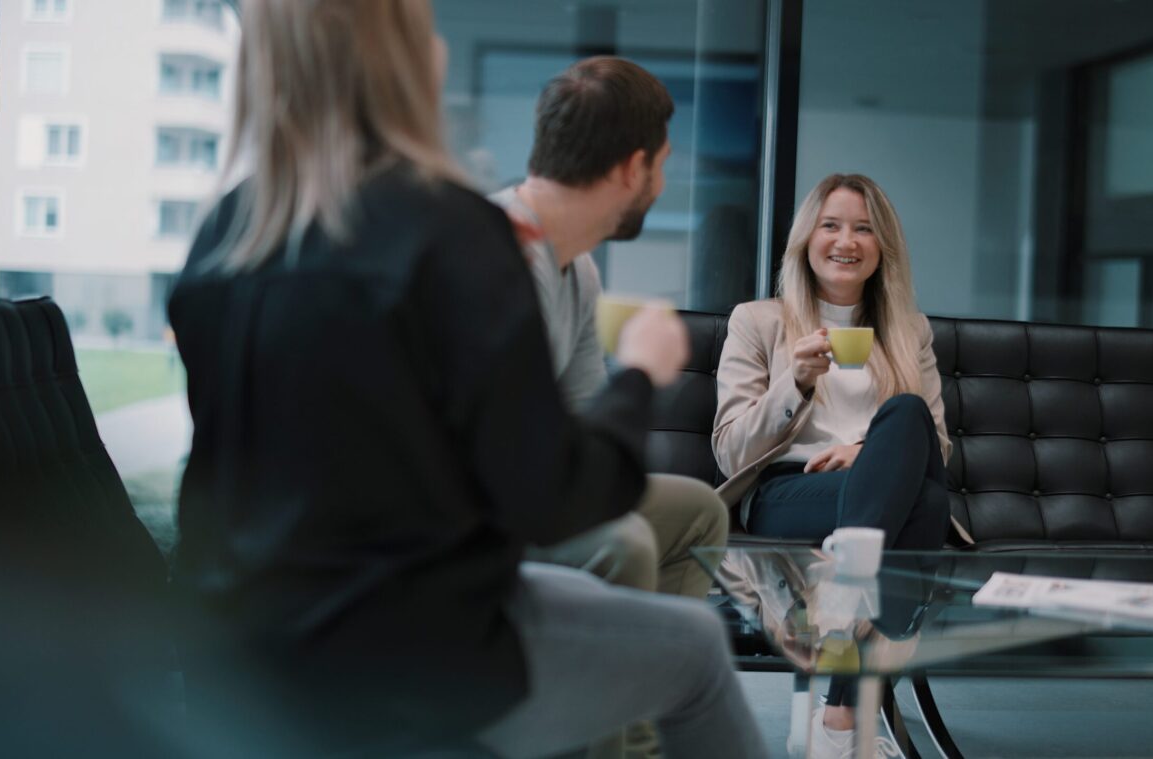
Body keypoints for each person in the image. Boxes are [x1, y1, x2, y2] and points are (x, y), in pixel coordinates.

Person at [167, 2, 767, 758]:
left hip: (241, 648)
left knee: (594, 585)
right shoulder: (451, 234)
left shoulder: (224, 233)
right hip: (408, 659)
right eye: (428, 31)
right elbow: (552, 497)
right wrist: (643, 372)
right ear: (407, 62)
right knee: (695, 650)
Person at [712, 172, 961, 758]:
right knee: (921, 509)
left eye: (863, 229)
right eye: (831, 225)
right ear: (807, 239)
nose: (845, 241)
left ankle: (838, 715)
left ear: (882, 248)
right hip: (790, 492)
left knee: (906, 427)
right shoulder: (759, 321)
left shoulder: (908, 330)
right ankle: (848, 714)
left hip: (881, 499)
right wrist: (793, 383)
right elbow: (729, 452)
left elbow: (935, 444)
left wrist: (869, 452)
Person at [491, 57, 728, 605]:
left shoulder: (579, 270)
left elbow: (583, 431)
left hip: (532, 481)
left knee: (697, 511)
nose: (662, 185)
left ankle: (654, 680)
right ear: (631, 168)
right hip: (472, 505)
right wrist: (642, 372)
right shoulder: (498, 256)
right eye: (662, 165)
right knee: (622, 543)